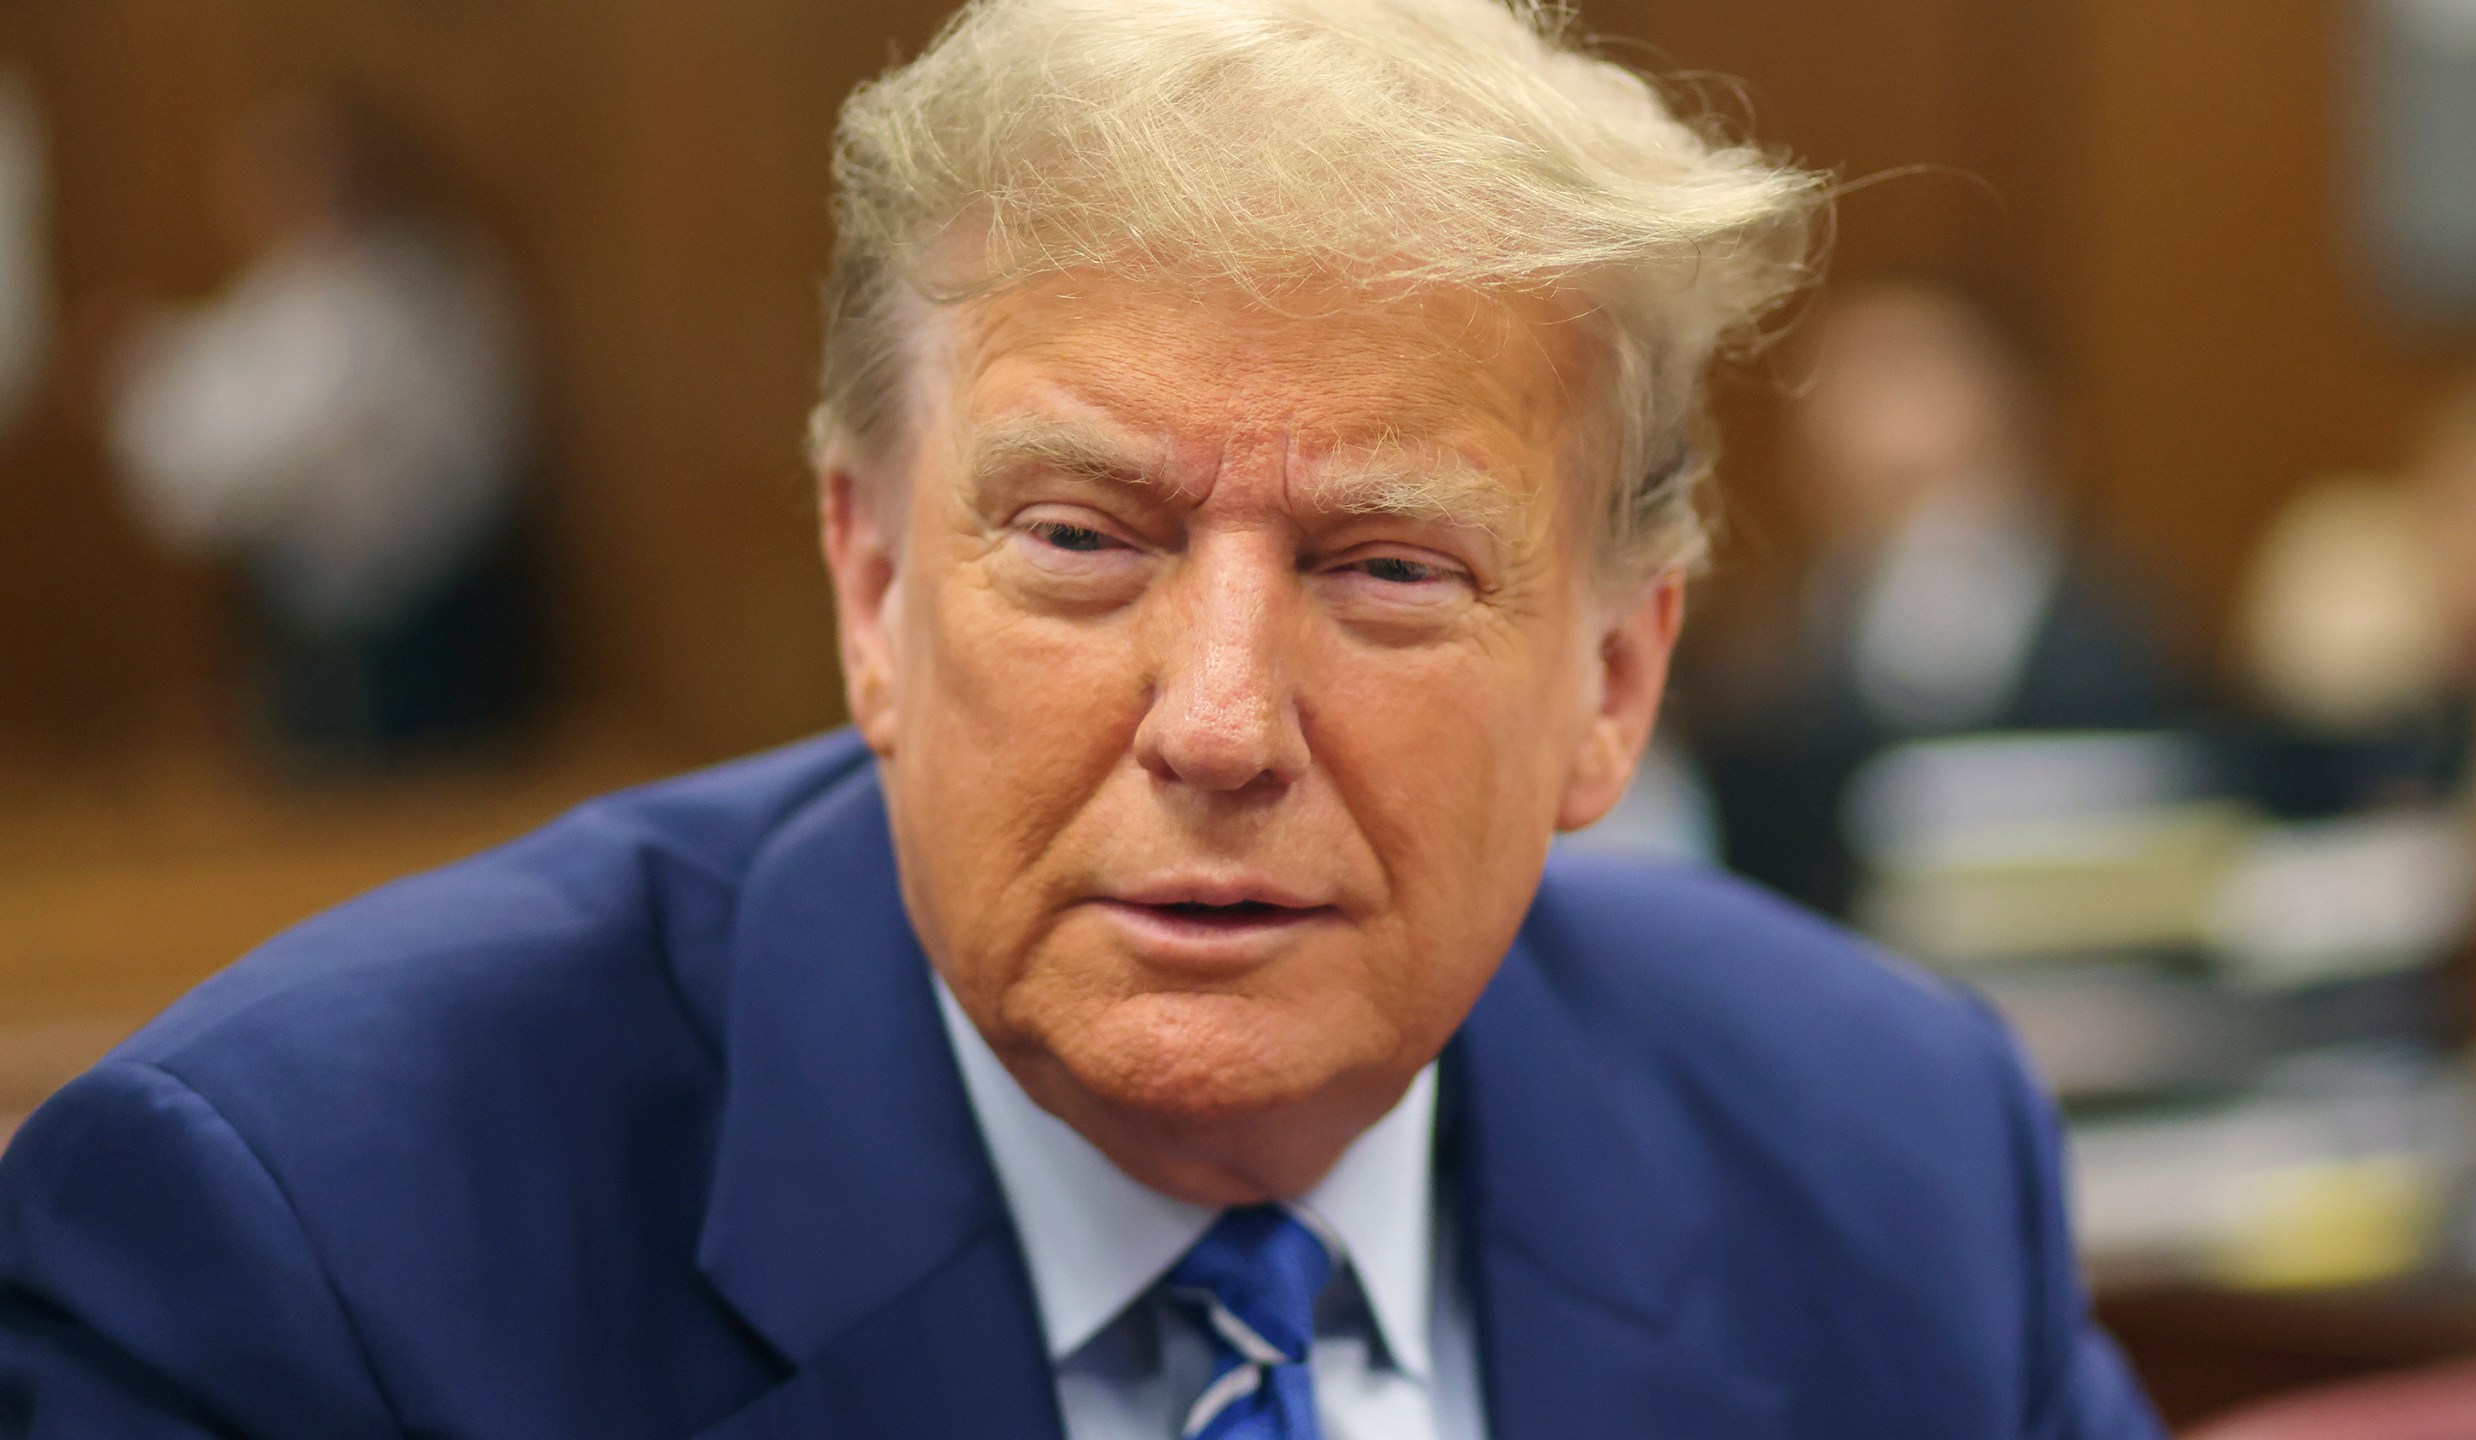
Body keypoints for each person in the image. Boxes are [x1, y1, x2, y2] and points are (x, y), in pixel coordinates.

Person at [0, 3, 2163, 1437]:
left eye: (1386, 569)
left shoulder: (1886, 1162)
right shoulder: (300, 1256)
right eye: (1077, 541)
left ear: (1612, 678)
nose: (1216, 722)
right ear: (867, 580)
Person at [1696, 281, 2183, 916]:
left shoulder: (2123, 639)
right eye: (1857, 379)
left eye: (1915, 372)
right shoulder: (1761, 676)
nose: (1890, 416)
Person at [103, 88, 536, 766]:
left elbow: (240, 461)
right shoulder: (306, 289)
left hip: (400, 630)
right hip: (322, 623)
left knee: (397, 829)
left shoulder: (391, 301)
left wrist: (147, 395)